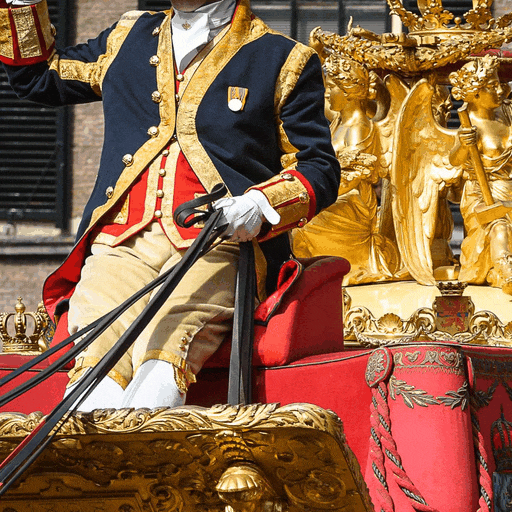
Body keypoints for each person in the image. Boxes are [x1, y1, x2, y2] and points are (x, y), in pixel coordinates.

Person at [0, 0, 340, 409]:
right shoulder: (128, 35)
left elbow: (319, 166)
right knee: (93, 371)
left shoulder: (283, 58)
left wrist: (260, 203)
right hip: (120, 242)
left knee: (162, 358)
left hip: (217, 244)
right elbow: (40, 77)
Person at [292, 55, 400, 285]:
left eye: (331, 87)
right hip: (337, 197)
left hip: (351, 205)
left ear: (348, 91)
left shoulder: (359, 128)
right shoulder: (340, 121)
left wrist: (313, 194)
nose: (327, 94)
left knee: (299, 223)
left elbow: (352, 177)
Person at [449, 55, 512, 294]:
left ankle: (495, 272)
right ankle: (506, 272)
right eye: (492, 86)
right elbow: (453, 161)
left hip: (508, 189)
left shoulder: (507, 113)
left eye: (499, 84)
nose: (500, 90)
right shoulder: (469, 126)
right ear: (475, 93)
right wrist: (463, 146)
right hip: (482, 193)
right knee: (498, 227)